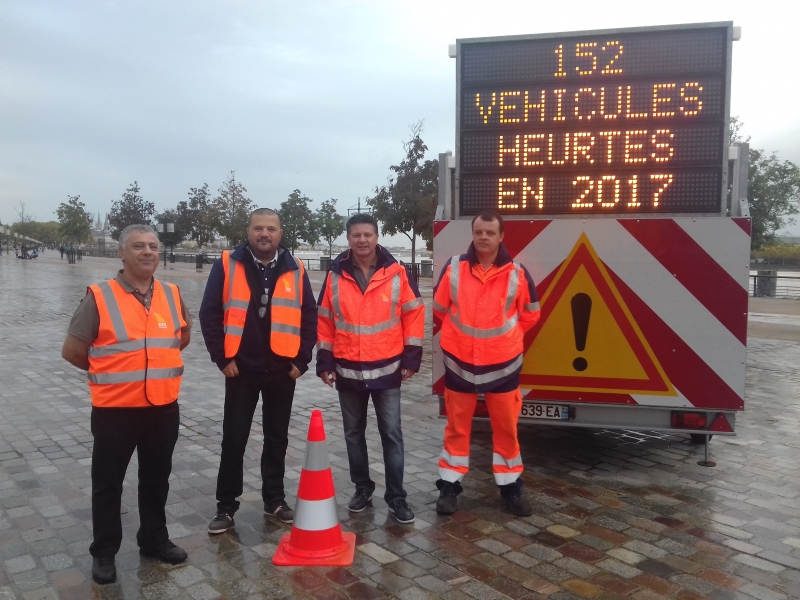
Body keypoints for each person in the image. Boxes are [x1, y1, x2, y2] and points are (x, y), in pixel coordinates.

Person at [61, 224, 192, 584]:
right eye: (138, 246)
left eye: (153, 246)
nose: (148, 252)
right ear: (122, 253)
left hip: (163, 407)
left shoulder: (172, 293)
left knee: (156, 479)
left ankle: (153, 540)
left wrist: (151, 367)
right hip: (115, 410)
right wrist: (113, 370)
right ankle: (104, 552)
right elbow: (72, 350)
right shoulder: (99, 296)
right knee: (108, 484)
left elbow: (182, 336)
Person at [199, 208, 317, 534]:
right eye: (258, 228)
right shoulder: (227, 264)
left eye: (271, 228)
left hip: (282, 369)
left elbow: (309, 316)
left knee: (276, 438)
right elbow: (209, 314)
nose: (264, 234)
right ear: (248, 231)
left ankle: (275, 500)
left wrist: (301, 361)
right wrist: (222, 359)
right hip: (241, 369)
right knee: (234, 439)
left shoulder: (295, 268)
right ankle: (226, 507)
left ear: (281, 233)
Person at [432, 210, 541, 517]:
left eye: (490, 233)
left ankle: (510, 488)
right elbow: (440, 308)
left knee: (506, 429)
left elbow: (531, 314)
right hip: (459, 364)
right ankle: (449, 486)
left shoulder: (517, 274)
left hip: (504, 366)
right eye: (479, 232)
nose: (483, 237)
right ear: (473, 233)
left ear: (501, 236)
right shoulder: (454, 268)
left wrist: (506, 339)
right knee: (456, 428)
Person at [316, 213, 424, 524]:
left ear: (377, 237)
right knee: (353, 435)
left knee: (391, 434)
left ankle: (397, 496)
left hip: (388, 369)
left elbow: (414, 315)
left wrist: (411, 358)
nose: (362, 240)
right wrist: (325, 361)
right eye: (356, 235)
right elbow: (324, 320)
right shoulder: (336, 275)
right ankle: (362, 488)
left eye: (367, 234)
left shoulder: (397, 273)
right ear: (348, 239)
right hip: (348, 370)